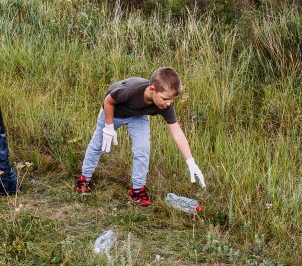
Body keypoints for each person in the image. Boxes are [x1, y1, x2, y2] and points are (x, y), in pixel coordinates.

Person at [76, 67, 206, 206]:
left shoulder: (166, 104)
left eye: (171, 100)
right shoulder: (130, 91)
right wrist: (108, 126)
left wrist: (190, 161)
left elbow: (177, 132)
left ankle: (137, 190)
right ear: (151, 90)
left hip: (137, 116)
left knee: (143, 149)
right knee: (98, 145)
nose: (168, 103)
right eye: (165, 99)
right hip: (114, 111)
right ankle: (84, 179)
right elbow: (108, 101)